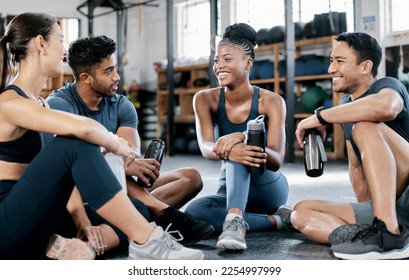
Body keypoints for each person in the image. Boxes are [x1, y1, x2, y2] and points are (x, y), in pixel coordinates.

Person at [0, 12, 204, 260]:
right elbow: (84, 129)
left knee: (138, 208)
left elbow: (59, 177)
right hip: (8, 226)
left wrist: (80, 218)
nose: (64, 51)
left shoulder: (41, 103)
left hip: (39, 217)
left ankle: (79, 246)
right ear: (41, 44)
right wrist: (117, 145)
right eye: (61, 39)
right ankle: (148, 241)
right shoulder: (9, 102)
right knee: (76, 143)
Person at [45, 35, 215, 256]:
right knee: (108, 163)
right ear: (86, 78)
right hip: (76, 191)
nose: (116, 77)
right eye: (108, 72)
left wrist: (132, 162)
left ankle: (143, 214)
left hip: (119, 185)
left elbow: (131, 154)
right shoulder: (60, 104)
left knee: (191, 177)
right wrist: (121, 160)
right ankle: (160, 213)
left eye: (115, 69)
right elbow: (73, 163)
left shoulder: (121, 104)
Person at [292, 31, 409, 260]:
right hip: (390, 206)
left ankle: (390, 235)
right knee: (301, 213)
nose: (331, 69)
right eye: (331, 61)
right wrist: (367, 211)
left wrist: (320, 117)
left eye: (339, 61)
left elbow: (386, 107)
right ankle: (374, 234)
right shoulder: (345, 106)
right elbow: (356, 168)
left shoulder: (388, 86)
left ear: (365, 67)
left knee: (364, 125)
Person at [184, 23, 291, 251]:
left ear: (248, 63)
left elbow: (276, 159)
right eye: (216, 60)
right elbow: (205, 146)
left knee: (236, 151)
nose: (219, 66)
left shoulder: (271, 101)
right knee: (195, 213)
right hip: (229, 187)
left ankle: (235, 220)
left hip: (266, 185)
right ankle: (278, 220)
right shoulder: (204, 99)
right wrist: (231, 146)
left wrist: (242, 138)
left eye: (227, 59)